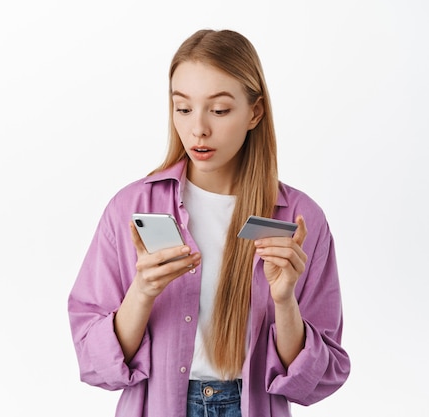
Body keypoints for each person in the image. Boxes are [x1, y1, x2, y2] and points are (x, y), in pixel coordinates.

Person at [67, 28, 350, 417]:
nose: (198, 128)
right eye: (183, 108)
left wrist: (284, 302)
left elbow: (317, 380)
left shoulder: (299, 219)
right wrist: (142, 292)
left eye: (218, 110)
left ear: (254, 112)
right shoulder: (130, 207)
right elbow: (92, 359)